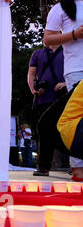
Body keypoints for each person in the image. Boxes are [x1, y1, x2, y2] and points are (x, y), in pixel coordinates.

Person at [41, 0, 83, 181]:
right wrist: (74, 34)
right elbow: (48, 39)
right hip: (77, 70)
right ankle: (78, 169)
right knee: (76, 119)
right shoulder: (61, 8)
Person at [28, 45, 68, 175]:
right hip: (43, 99)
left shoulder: (69, 49)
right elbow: (32, 73)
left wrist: (67, 84)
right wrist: (34, 88)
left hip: (65, 97)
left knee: (67, 131)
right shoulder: (38, 53)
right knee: (44, 132)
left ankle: (75, 166)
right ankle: (43, 167)